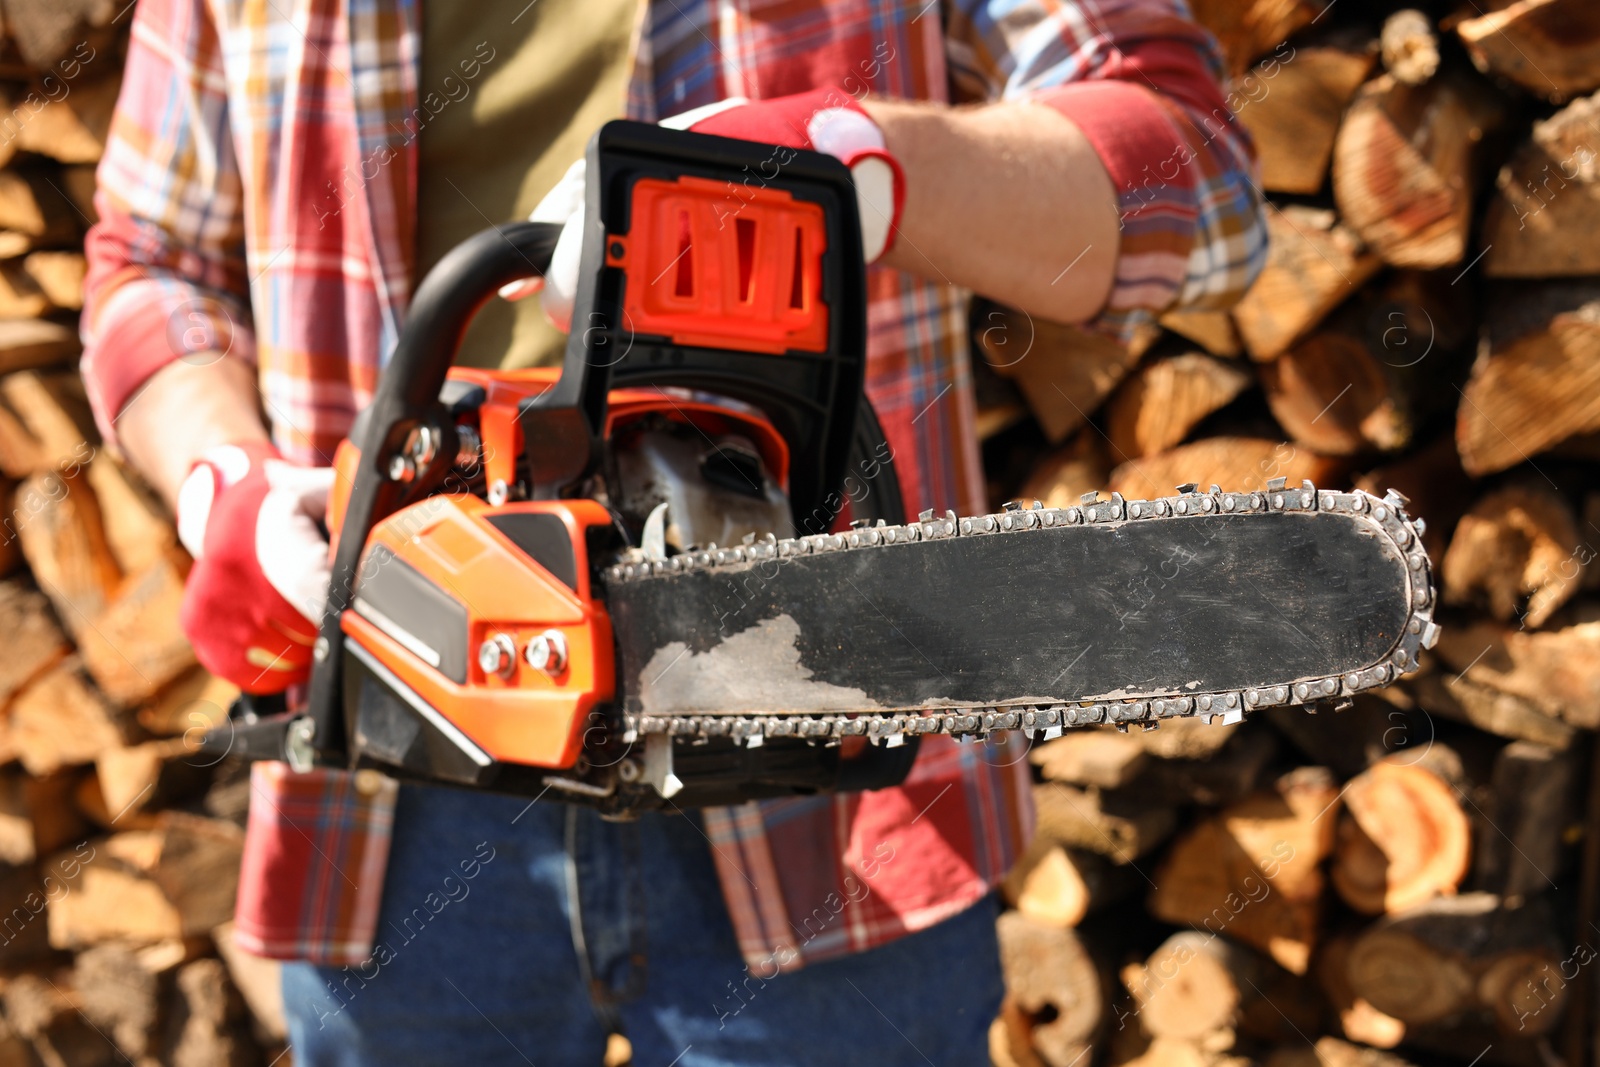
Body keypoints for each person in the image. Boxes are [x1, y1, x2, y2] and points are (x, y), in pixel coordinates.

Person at [81, 2, 1266, 1064]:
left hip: (823, 779)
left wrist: (869, 164)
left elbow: (1194, 179)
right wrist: (220, 474)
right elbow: (149, 262)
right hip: (395, 786)